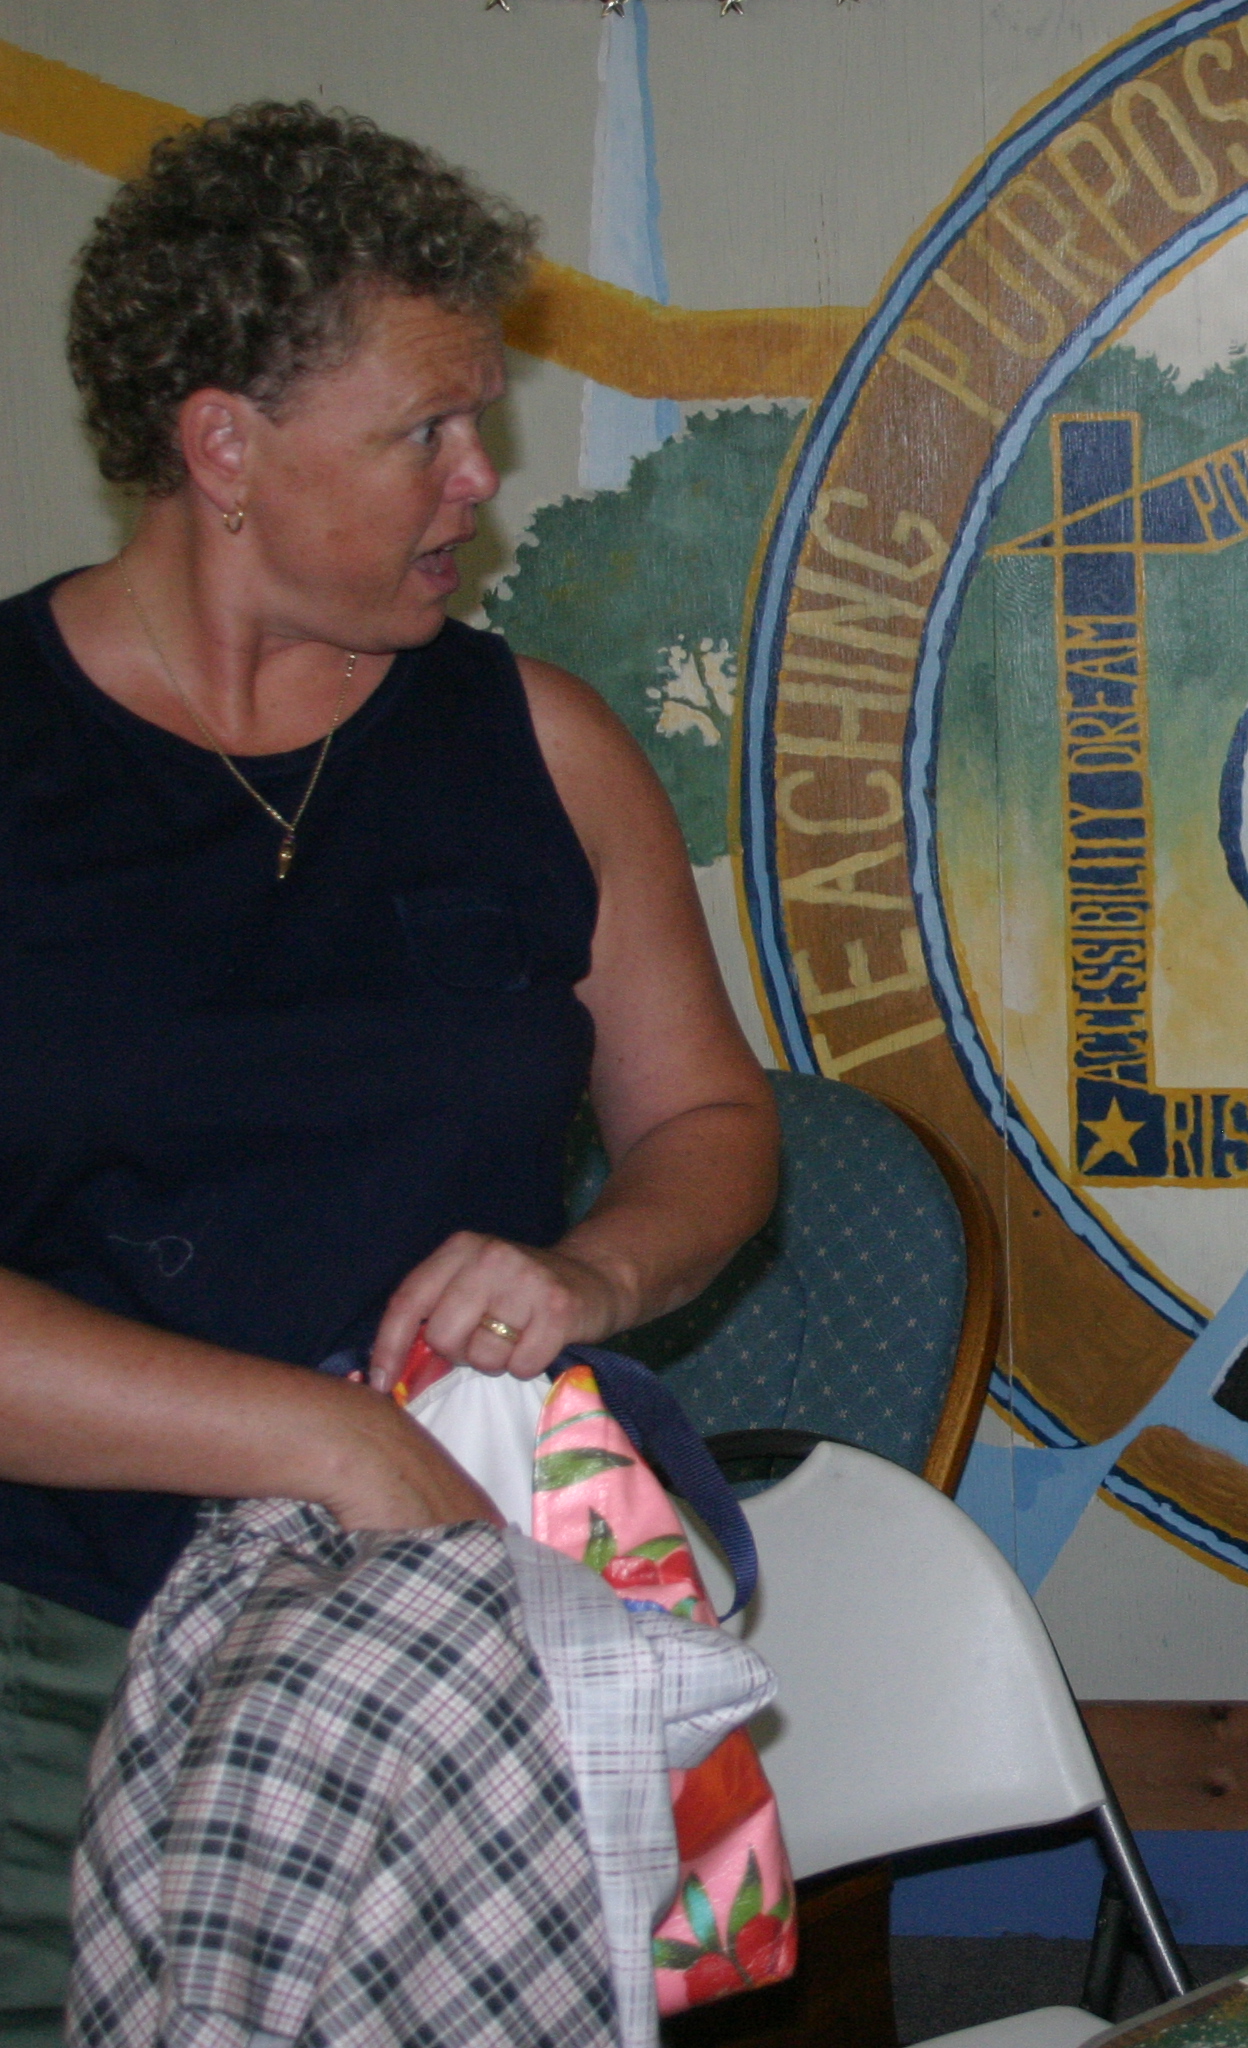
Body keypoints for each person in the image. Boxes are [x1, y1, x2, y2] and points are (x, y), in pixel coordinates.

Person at [0, 103, 778, 2036]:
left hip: (455, 1634)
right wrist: (329, 1439)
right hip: (53, 1654)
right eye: (424, 431)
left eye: (480, 421)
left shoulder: (541, 743)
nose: (479, 478)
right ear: (221, 445)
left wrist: (593, 1270)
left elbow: (709, 1125)